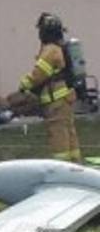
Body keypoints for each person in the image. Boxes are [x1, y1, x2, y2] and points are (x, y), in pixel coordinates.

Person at [18, 13, 80, 161]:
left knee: (58, 134)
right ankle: (75, 165)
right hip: (64, 99)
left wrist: (24, 83)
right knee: (68, 132)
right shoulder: (59, 48)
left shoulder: (50, 50)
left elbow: (38, 75)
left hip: (56, 102)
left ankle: (62, 167)